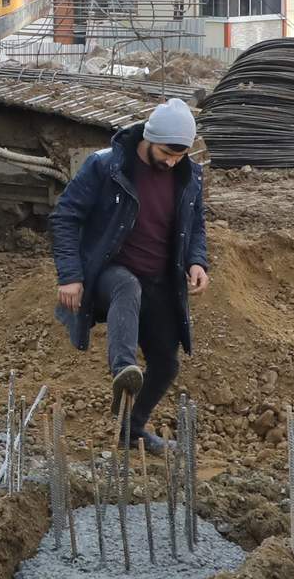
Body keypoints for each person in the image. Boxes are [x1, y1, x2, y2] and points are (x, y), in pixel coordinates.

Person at [50, 97, 209, 453]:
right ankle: (123, 368)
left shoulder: (189, 176)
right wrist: (70, 275)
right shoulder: (106, 166)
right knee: (126, 284)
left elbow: (196, 224)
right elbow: (65, 217)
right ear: (149, 137)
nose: (172, 161)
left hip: (161, 279)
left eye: (180, 155)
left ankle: (132, 429)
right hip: (108, 273)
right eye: (167, 152)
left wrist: (197, 262)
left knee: (167, 364)